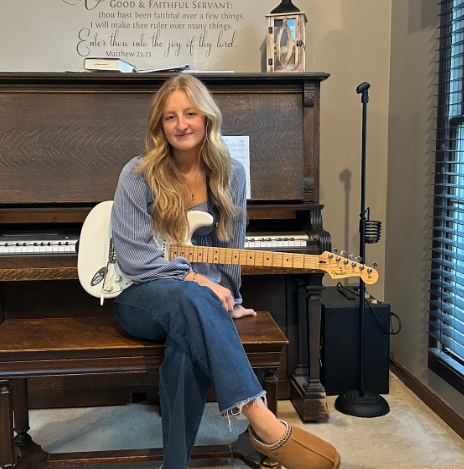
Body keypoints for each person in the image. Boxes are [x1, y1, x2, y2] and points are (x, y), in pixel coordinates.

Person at [111, 73, 340, 469]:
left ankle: (175, 465)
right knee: (194, 297)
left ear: (207, 118)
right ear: (159, 125)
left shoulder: (231, 174)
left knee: (185, 343)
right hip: (140, 297)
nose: (181, 124)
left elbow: (231, 251)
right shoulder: (138, 173)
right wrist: (196, 279)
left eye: (190, 113)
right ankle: (262, 421)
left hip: (195, 307)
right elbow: (133, 257)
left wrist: (230, 300)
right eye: (170, 117)